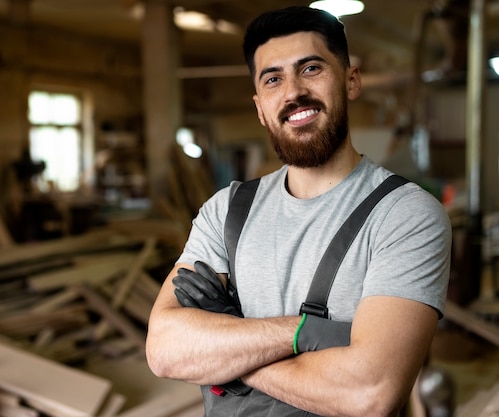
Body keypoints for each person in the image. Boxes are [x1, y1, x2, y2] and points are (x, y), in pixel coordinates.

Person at [146, 5, 451, 417]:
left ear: (351, 81)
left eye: (310, 69)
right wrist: (310, 334)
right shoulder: (226, 212)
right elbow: (166, 350)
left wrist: (227, 347)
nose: (292, 92)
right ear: (259, 107)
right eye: (273, 79)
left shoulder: (405, 215)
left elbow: (370, 393)